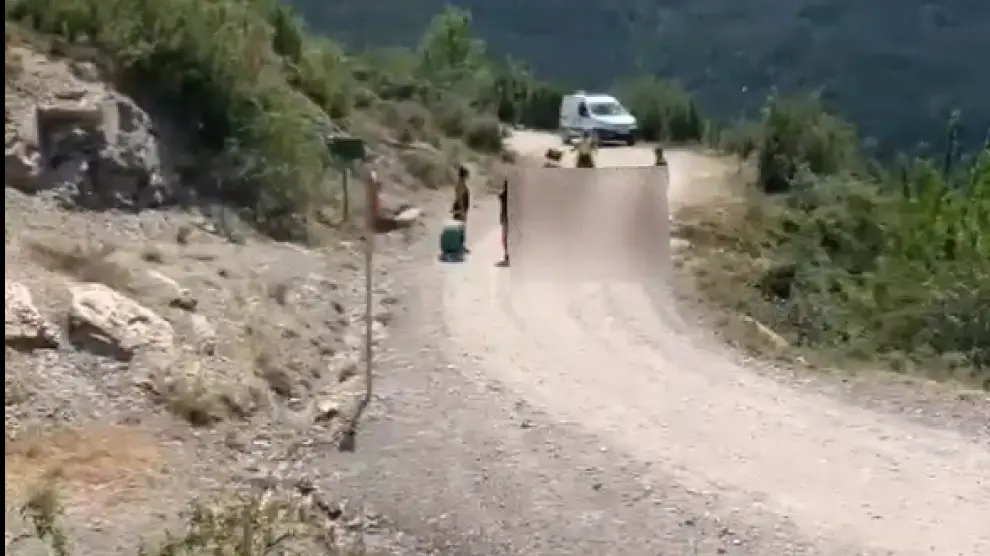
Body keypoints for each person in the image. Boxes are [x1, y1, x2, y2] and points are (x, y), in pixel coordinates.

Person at [451, 164, 471, 251]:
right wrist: (462, 211)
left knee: (461, 227)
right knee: (460, 227)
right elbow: (459, 198)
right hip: (460, 208)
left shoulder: (461, 184)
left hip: (461, 208)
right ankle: (459, 246)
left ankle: (461, 246)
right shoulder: (460, 185)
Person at [497, 178, 510, 266]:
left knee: (505, 239)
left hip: (506, 218)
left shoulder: (503, 196)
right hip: (509, 218)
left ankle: (507, 256)